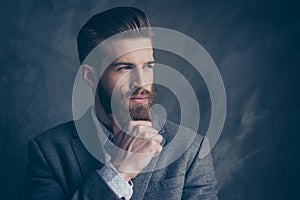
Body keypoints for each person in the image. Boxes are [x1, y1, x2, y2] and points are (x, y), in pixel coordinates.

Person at [25, 7, 218, 200]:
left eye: (148, 66)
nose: (141, 82)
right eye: (125, 68)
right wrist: (118, 173)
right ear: (90, 76)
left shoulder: (191, 149)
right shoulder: (49, 152)